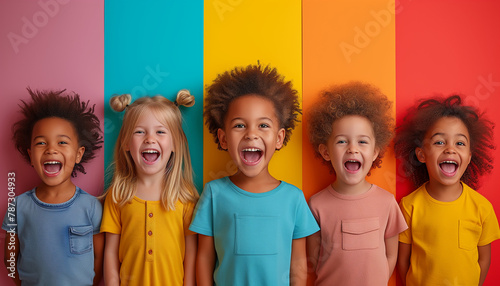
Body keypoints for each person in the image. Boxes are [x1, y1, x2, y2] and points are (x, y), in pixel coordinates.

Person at [190, 64, 319, 286]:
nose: (251, 134)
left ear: (279, 138)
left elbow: (298, 263)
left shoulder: (294, 198)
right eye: (240, 125)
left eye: (263, 126)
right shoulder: (213, 193)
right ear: (223, 138)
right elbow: (204, 257)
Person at [306, 82, 407, 285]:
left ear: (375, 152)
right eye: (342, 141)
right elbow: (313, 261)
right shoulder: (316, 204)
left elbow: (391, 255)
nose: (352, 149)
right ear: (326, 152)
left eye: (362, 141)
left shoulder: (387, 202)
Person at [395, 95, 500, 286]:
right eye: (439, 142)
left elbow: (484, 259)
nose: (450, 149)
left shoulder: (482, 207)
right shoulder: (409, 206)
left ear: (469, 157)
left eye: (459, 143)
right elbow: (403, 260)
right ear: (421, 154)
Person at [2, 88, 104, 286]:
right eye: (41, 143)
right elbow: (10, 259)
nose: (51, 149)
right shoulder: (18, 207)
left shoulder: (91, 206)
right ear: (31, 155)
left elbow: (99, 259)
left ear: (78, 154)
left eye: (62, 142)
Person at [101, 90, 199, 286]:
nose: (150, 139)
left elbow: (191, 255)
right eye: (140, 131)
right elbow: (110, 252)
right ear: (127, 143)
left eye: (160, 131)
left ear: (175, 144)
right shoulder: (118, 194)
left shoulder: (185, 196)